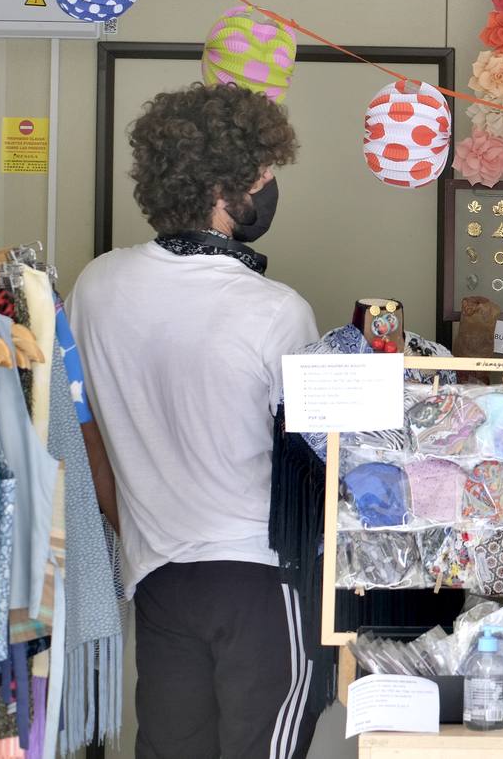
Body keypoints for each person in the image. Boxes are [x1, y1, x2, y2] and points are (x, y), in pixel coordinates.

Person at [71, 83, 320, 759]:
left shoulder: (94, 287)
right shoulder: (276, 310)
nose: (270, 186)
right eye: (263, 173)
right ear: (221, 187)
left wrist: (139, 526)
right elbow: (314, 460)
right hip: (260, 578)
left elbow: (86, 433)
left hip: (155, 572)